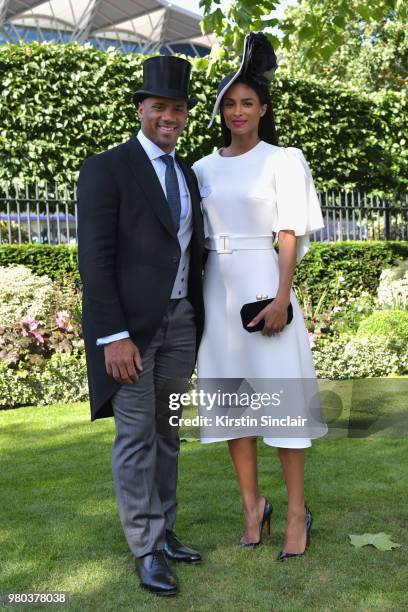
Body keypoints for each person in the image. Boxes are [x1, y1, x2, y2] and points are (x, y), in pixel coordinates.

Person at [192, 33, 328, 560]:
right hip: (216, 291)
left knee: (283, 404)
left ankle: (297, 513)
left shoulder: (283, 159)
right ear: (221, 111)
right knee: (231, 405)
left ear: (263, 108)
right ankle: (253, 507)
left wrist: (281, 296)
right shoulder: (202, 167)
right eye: (229, 103)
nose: (238, 110)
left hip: (263, 284)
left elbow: (289, 231)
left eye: (247, 102)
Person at [77, 55, 205, 596]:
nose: (169, 116)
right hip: (130, 332)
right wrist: (112, 335)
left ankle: (165, 528)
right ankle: (146, 548)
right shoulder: (106, 168)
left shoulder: (188, 173)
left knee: (168, 432)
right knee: (135, 437)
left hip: (180, 324)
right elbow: (95, 259)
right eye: (160, 107)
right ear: (141, 108)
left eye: (177, 108)